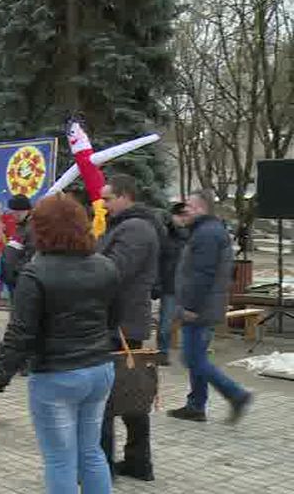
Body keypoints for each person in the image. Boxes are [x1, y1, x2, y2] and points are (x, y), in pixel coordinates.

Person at [0, 193, 120, 494]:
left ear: (41, 229)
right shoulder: (106, 266)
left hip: (57, 375)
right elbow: (113, 318)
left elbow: (20, 333)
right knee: (91, 451)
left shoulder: (36, 272)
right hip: (99, 369)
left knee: (60, 459)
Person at [97, 174, 161, 481]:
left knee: (110, 398)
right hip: (123, 321)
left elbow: (113, 271)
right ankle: (137, 462)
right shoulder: (129, 226)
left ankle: (105, 466)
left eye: (107, 199)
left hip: (120, 324)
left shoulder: (134, 228)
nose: (103, 204)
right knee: (130, 392)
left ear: (125, 196)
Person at [169, 190, 253, 424]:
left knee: (193, 359)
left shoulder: (206, 234)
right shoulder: (207, 231)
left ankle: (237, 394)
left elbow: (202, 274)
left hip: (200, 307)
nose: (185, 210)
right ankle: (195, 405)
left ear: (201, 208)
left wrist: (191, 306)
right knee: (195, 356)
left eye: (189, 206)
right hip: (206, 304)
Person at [155, 202, 189, 365]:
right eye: (180, 215)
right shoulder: (165, 234)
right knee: (166, 324)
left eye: (186, 215)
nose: (183, 219)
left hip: (186, 285)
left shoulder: (190, 235)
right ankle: (162, 353)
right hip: (170, 285)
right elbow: (157, 260)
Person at [0, 194, 34, 291]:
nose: (13, 216)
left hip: (21, 281)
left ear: (22, 211)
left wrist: (16, 272)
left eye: (15, 212)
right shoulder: (21, 226)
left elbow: (31, 255)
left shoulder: (31, 228)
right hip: (15, 280)